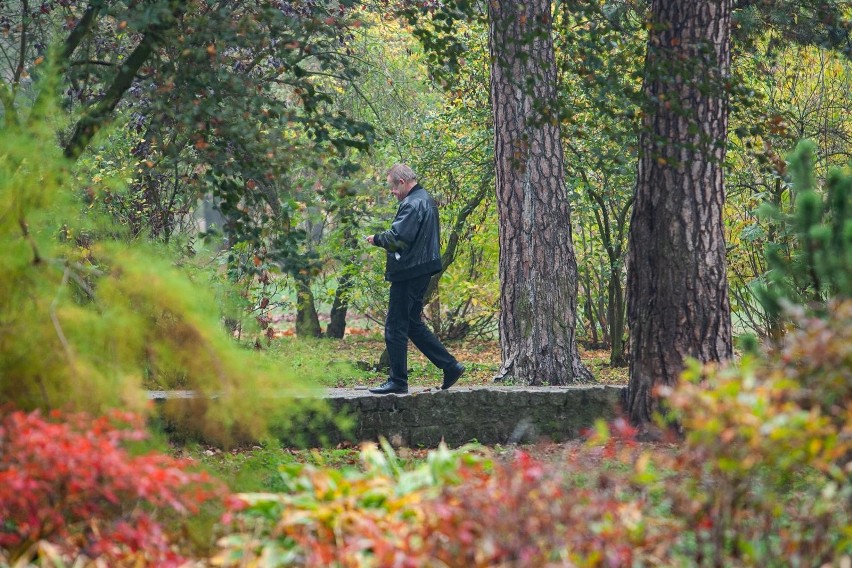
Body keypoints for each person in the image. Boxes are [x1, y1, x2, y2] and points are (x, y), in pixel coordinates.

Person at [365, 164, 465, 394]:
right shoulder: (425, 199)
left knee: (395, 325)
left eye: (392, 186)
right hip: (421, 269)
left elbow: (399, 238)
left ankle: (398, 381)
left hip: (408, 271)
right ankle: (450, 365)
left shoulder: (412, 203)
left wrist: (377, 238)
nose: (391, 192)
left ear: (402, 182)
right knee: (412, 323)